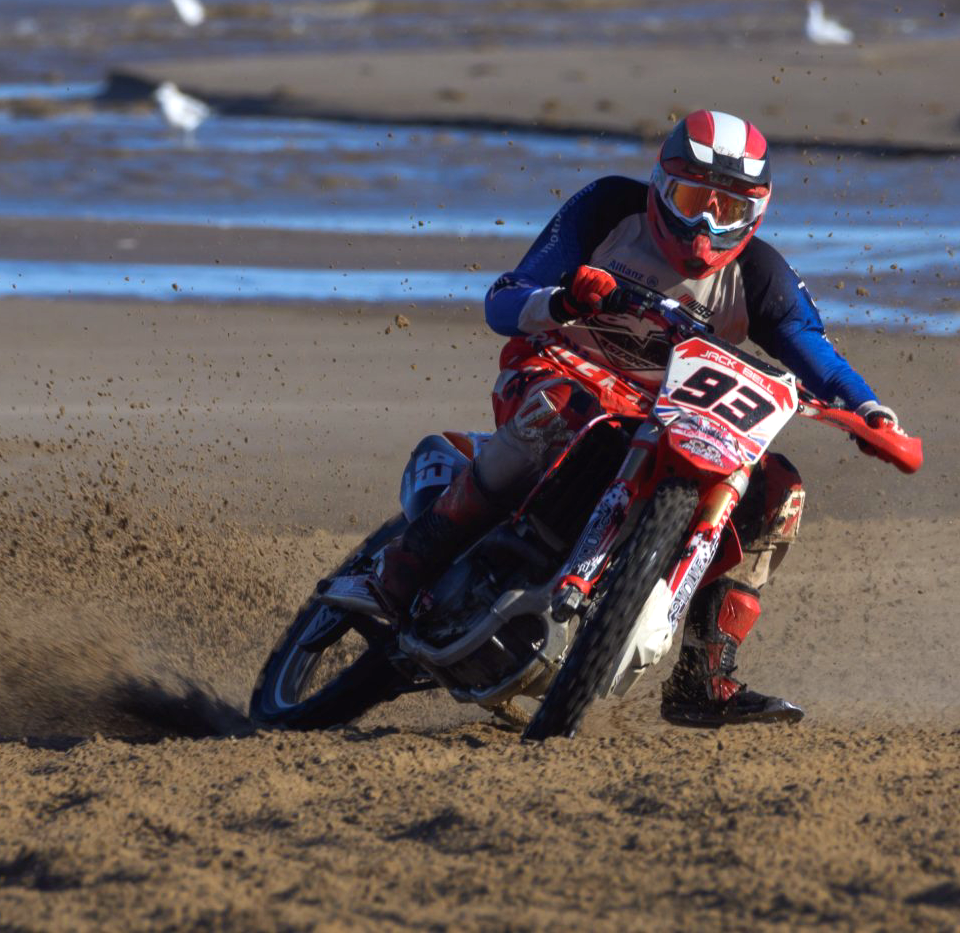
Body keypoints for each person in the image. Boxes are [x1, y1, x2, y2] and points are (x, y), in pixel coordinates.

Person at [325, 109, 906, 727]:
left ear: (757, 214)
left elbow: (816, 352)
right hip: (557, 371)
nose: (706, 224)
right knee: (559, 411)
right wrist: (564, 299)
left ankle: (703, 676)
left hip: (669, 417)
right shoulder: (607, 210)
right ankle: (397, 573)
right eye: (691, 198)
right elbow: (504, 299)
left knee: (779, 492)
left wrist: (871, 413)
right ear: (659, 185)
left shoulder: (760, 275)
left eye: (729, 210)